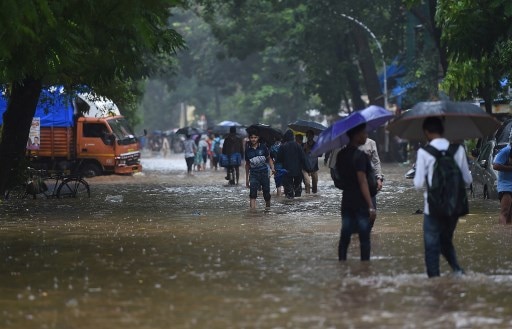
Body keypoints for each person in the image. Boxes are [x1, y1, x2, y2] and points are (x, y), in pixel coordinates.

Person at [413, 117, 472, 277]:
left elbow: (418, 184)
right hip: (453, 207)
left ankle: (434, 282)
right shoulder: (458, 150)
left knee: (431, 246)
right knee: (445, 241)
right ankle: (458, 272)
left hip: (431, 208)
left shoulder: (424, 152)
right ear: (442, 130)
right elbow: (468, 180)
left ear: (426, 132)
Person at [336, 123, 376, 261]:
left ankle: (342, 264)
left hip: (346, 201)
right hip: (360, 203)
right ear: (356, 135)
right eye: (364, 133)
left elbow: (338, 177)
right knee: (364, 237)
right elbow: (362, 181)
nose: (366, 136)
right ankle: (365, 267)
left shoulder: (340, 155)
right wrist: (371, 205)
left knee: (345, 235)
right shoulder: (360, 156)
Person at [245, 128, 275, 209]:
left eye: (255, 137)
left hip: (264, 173)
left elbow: (269, 159)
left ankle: (267, 209)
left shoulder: (263, 147)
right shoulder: (247, 150)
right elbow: (247, 164)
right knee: (252, 193)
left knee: (266, 194)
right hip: (253, 174)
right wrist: (247, 179)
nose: (253, 139)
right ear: (249, 138)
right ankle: (253, 214)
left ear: (258, 138)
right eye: (252, 137)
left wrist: (272, 168)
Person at [277, 130, 308, 199]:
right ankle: (297, 206)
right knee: (297, 190)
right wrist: (308, 169)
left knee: (289, 192)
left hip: (286, 171)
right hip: (298, 171)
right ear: (292, 137)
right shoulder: (298, 146)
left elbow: (278, 159)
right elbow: (303, 158)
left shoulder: (283, 147)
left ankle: (290, 205)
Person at [492, 129, 512, 224]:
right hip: (506, 186)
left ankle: (507, 235)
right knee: (505, 211)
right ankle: (501, 233)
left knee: (510, 215)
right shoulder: (505, 151)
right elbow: (495, 165)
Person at [302, 130, 319, 194]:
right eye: (308, 135)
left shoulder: (316, 145)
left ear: (313, 136)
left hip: (314, 167)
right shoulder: (304, 145)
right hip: (305, 167)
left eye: (310, 135)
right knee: (307, 183)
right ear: (306, 136)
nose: (309, 137)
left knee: (315, 185)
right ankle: (308, 196)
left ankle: (314, 196)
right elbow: (300, 155)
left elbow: (320, 154)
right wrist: (304, 149)